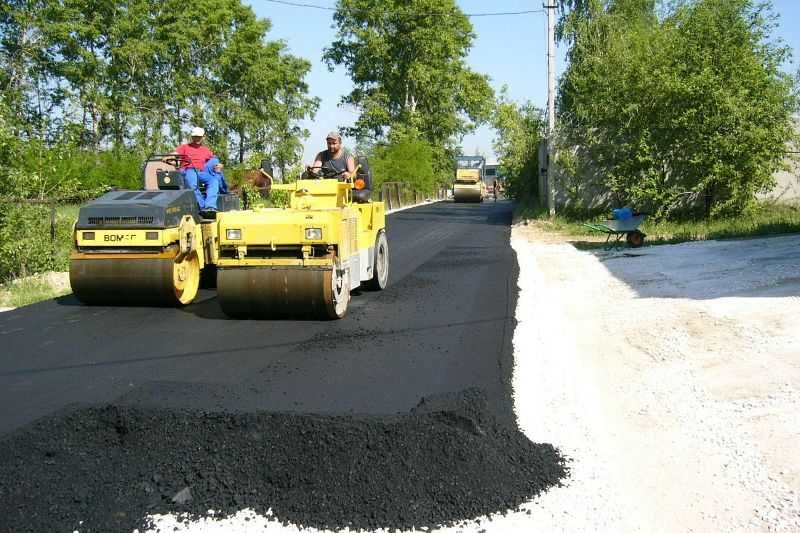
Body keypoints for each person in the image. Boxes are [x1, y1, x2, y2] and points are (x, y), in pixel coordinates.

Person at [173, 127, 218, 210]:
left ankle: (210, 206)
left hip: (200, 172)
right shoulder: (185, 147)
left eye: (199, 137)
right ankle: (202, 207)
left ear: (203, 137)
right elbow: (175, 154)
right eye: (195, 136)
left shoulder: (205, 150)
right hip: (188, 170)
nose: (197, 138)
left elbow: (213, 160)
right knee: (192, 184)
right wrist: (169, 156)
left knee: (214, 181)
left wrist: (218, 164)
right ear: (192, 137)